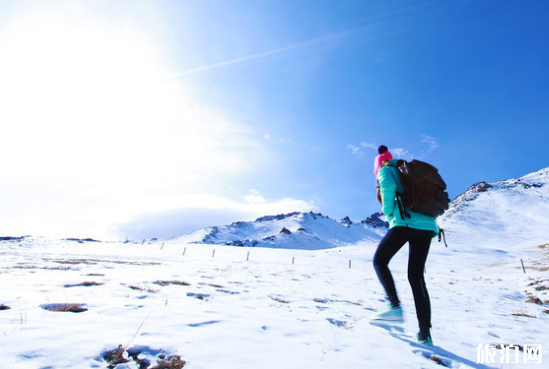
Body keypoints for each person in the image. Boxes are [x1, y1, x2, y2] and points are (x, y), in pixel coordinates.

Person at [372, 154, 439, 347]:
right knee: (416, 277)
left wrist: (388, 211)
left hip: (405, 222)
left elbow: (387, 190)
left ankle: (394, 306)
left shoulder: (386, 170)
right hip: (427, 226)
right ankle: (425, 334)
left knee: (379, 261)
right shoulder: (410, 172)